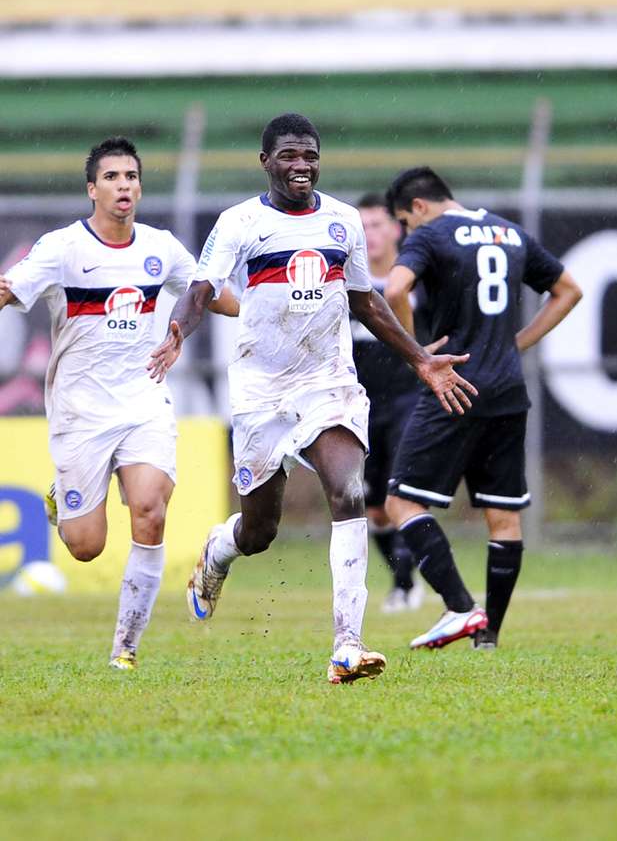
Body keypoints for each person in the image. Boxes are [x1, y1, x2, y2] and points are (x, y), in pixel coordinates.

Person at [147, 114, 477, 684]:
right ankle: (219, 550)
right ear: (265, 162)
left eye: (310, 156)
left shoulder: (343, 221)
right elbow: (201, 291)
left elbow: (366, 302)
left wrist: (420, 359)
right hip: (261, 392)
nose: (301, 165)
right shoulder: (240, 223)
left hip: (328, 383)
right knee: (259, 532)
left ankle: (348, 645)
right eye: (289, 156)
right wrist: (179, 330)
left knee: (348, 492)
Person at [0, 136, 238, 670]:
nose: (123, 185)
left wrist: (259, 308)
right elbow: (11, 290)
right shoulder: (63, 248)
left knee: (151, 510)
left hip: (143, 399)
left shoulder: (161, 247)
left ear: (140, 187)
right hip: (80, 410)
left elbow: (206, 293)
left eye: (131, 176)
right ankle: (63, 500)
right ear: (92, 189)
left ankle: (125, 648)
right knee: (86, 546)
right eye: (111, 177)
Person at [382, 167, 582, 651]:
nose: (407, 232)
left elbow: (394, 290)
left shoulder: (431, 234)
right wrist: (518, 344)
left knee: (400, 503)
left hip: (454, 384)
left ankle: (458, 607)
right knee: (504, 517)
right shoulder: (509, 232)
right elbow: (569, 291)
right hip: (508, 390)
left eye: (404, 222)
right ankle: (488, 636)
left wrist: (418, 353)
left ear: (418, 207)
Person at [352, 192, 433, 613]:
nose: (369, 235)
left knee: (401, 492)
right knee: (375, 510)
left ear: (396, 229)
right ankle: (404, 581)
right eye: (361, 227)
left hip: (408, 399)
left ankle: (406, 584)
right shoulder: (346, 281)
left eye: (376, 225)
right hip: (360, 404)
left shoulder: (417, 278)